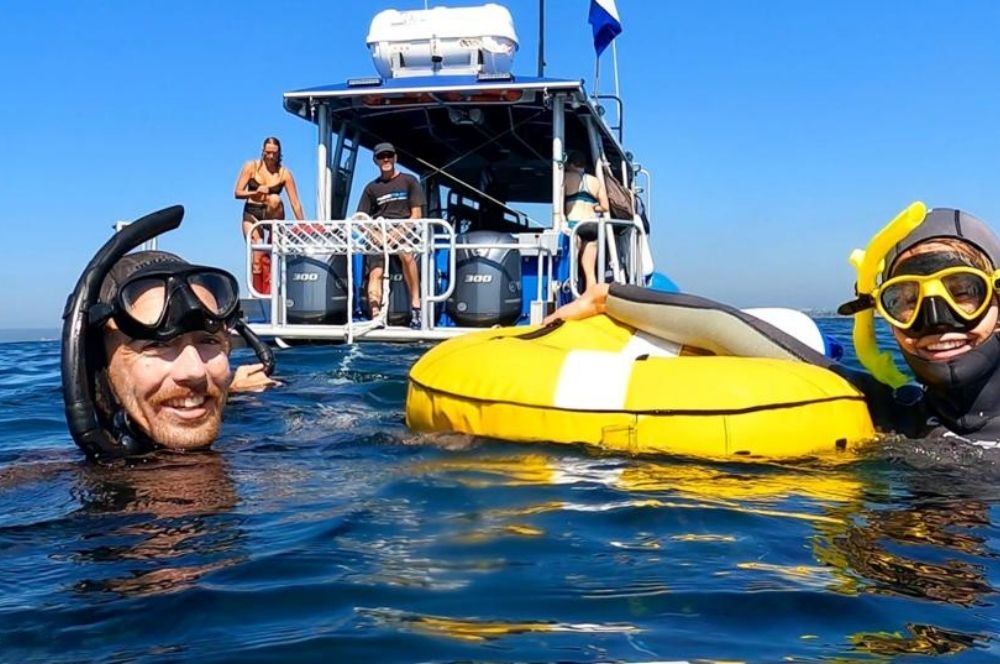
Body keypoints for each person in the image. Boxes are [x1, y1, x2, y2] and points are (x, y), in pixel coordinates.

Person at [545, 206, 1000, 447]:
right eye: (904, 301)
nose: (936, 321)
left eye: (964, 292)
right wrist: (608, 297)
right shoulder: (899, 415)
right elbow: (735, 331)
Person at [61, 205, 277, 461]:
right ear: (98, 369)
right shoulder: (38, 484)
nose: (195, 371)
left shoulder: (284, 450)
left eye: (208, 341)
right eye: (156, 345)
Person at [357, 142, 424, 329]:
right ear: (375, 161)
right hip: (379, 236)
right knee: (375, 272)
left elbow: (416, 215)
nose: (385, 159)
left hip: (404, 232)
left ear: (395, 158)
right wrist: (375, 235)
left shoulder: (410, 181)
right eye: (381, 156)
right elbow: (360, 219)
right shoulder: (371, 188)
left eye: (389, 155)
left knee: (406, 255)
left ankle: (416, 308)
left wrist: (397, 233)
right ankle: (376, 316)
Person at [234, 137, 306, 294]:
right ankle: (259, 296)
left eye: (274, 153)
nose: (271, 156)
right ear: (262, 151)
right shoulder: (251, 167)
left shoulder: (284, 174)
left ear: (279, 153)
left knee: (275, 199)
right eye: (268, 152)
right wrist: (255, 191)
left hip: (272, 215)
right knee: (257, 258)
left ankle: (274, 235)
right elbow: (237, 192)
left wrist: (303, 225)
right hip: (252, 213)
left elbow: (295, 203)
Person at [563, 150, 610, 291]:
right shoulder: (595, 181)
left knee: (571, 266)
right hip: (591, 225)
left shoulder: (565, 177)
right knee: (589, 271)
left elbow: (558, 203)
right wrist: (594, 207)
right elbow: (605, 207)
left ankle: (571, 296)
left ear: (570, 164)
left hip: (574, 225)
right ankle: (589, 298)